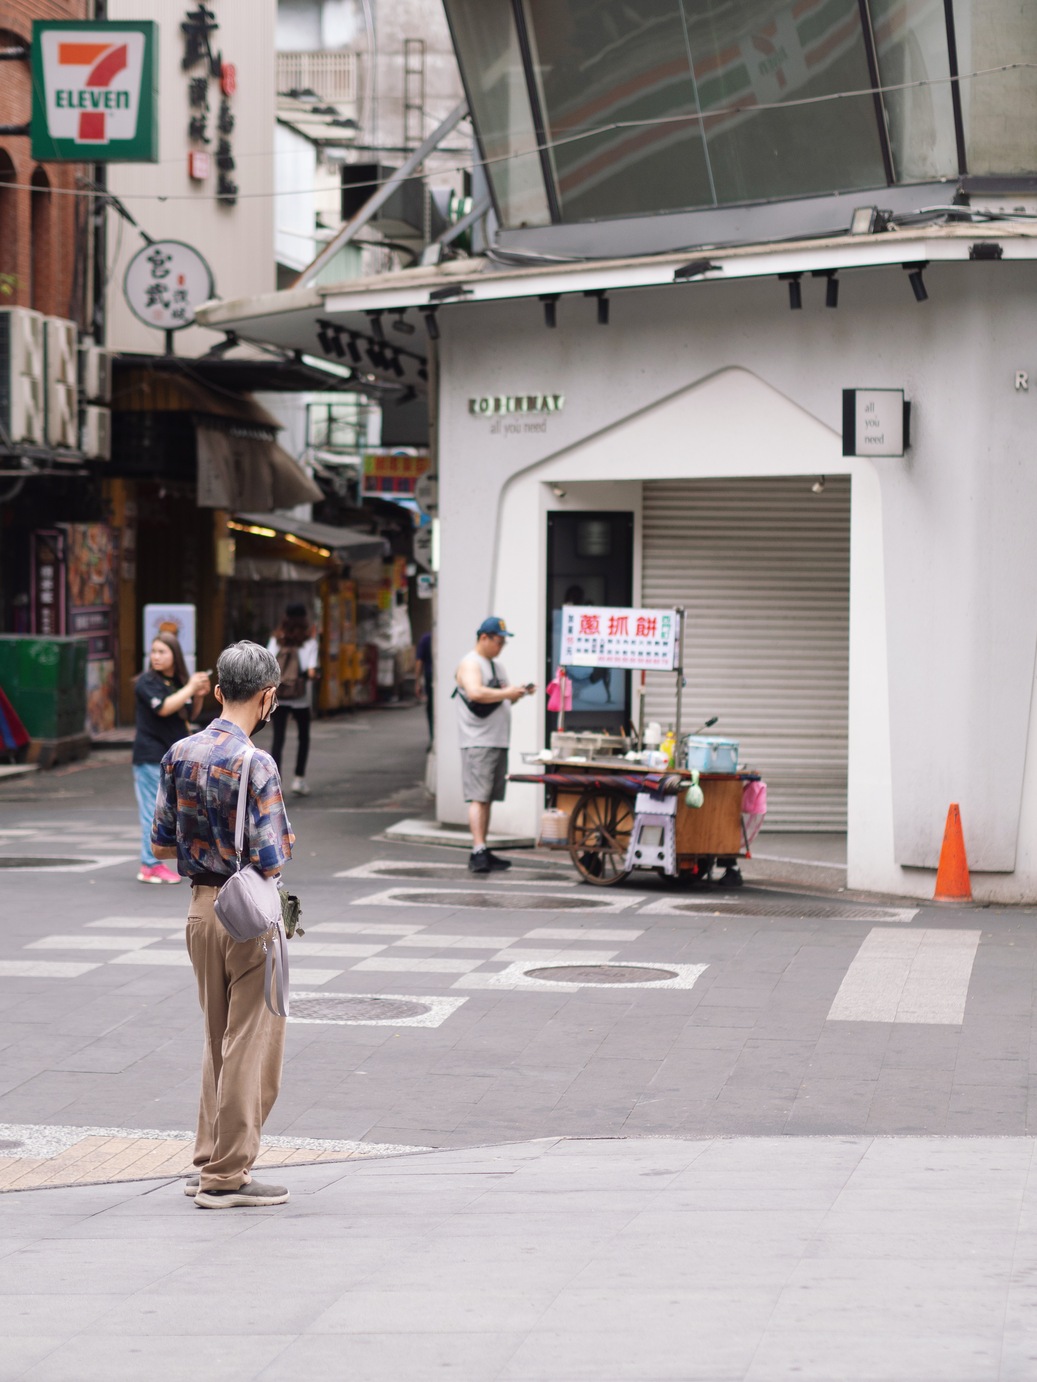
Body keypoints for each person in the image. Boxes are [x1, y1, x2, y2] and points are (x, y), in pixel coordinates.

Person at [151, 640, 295, 1210]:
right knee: (250, 1045)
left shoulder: (179, 751)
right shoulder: (257, 762)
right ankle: (227, 1176)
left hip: (199, 913)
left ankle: (208, 1157)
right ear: (269, 698)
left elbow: (161, 843)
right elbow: (272, 856)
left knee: (217, 1040)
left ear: (215, 692)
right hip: (248, 917)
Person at [454, 616, 534, 874]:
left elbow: (501, 699)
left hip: (497, 739)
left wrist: (517, 693)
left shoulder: (497, 667)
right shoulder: (470, 663)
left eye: (503, 643)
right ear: (483, 638)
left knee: (488, 797)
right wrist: (507, 693)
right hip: (478, 741)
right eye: (498, 641)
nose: (500, 647)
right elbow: (476, 692)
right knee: (478, 797)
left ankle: (483, 849)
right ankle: (478, 851)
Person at [132, 632, 209, 885]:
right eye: (153, 651)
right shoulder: (146, 682)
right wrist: (190, 687)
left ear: (174, 655)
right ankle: (149, 865)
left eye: (162, 651)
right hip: (150, 755)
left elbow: (187, 713)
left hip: (173, 758)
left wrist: (198, 694)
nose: (155, 656)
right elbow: (163, 707)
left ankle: (170, 861)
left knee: (176, 811)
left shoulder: (177, 682)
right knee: (151, 812)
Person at [267, 603, 319, 796]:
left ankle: (274, 782)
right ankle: (299, 779)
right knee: (303, 737)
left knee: (278, 738)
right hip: (300, 697)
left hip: (280, 695)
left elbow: (267, 663)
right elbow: (312, 671)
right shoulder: (309, 642)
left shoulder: (276, 639)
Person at [416, 630, 433, 743]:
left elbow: (419, 661)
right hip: (437, 676)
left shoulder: (426, 638)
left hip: (430, 677)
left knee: (431, 708)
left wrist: (417, 682)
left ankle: (433, 738)